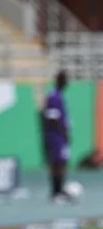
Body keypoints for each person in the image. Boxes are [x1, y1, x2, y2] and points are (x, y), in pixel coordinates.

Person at [42, 70, 72, 203]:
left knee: (62, 162)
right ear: (59, 80)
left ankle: (59, 190)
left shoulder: (59, 95)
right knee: (57, 163)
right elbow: (52, 119)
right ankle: (56, 192)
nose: (67, 82)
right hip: (56, 136)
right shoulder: (53, 96)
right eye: (65, 79)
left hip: (59, 135)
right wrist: (63, 132)